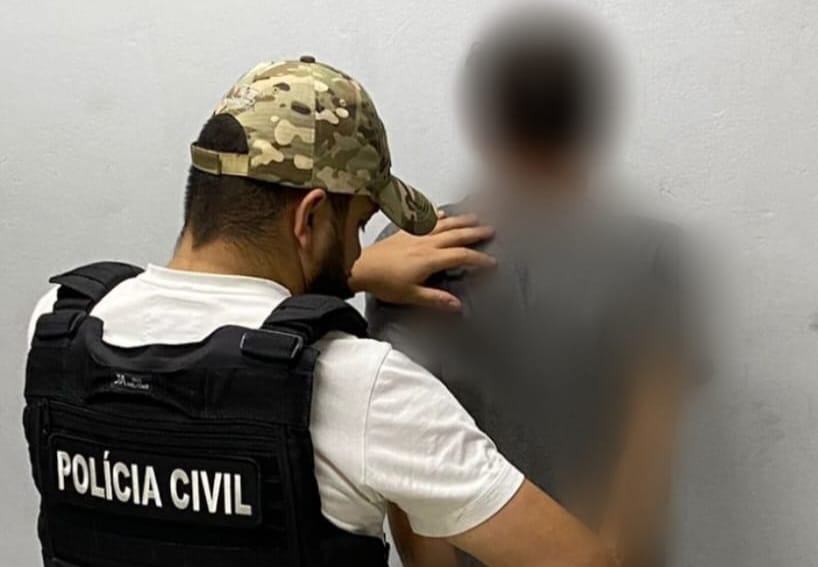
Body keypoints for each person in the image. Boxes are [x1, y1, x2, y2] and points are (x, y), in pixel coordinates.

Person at [22, 57, 621, 567]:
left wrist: (350, 273)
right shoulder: (362, 388)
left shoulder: (59, 324)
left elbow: (203, 313)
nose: (360, 252)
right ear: (308, 218)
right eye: (358, 227)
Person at [364, 8, 707, 567]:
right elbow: (644, 475)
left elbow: (408, 461)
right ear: (586, 119)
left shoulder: (413, 253)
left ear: (487, 122)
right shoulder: (651, 258)